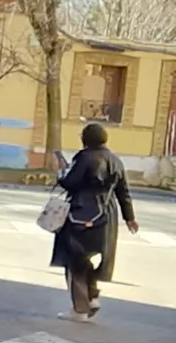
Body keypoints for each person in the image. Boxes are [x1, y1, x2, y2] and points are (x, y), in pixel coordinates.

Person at [53, 123, 138, 322]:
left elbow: (70, 183)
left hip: (82, 212)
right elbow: (123, 192)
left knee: (74, 258)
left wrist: (60, 173)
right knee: (88, 258)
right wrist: (130, 218)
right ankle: (91, 297)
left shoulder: (84, 157)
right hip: (107, 215)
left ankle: (80, 309)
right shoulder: (116, 161)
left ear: (86, 139)